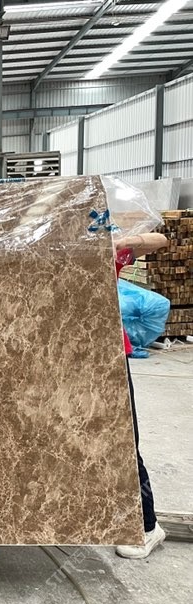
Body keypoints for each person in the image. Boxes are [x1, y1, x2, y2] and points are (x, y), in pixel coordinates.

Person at [112, 233, 168, 560]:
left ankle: (148, 526)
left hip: (107, 354)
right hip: (62, 356)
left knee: (122, 439)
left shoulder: (101, 243)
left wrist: (122, 242)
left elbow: (160, 239)